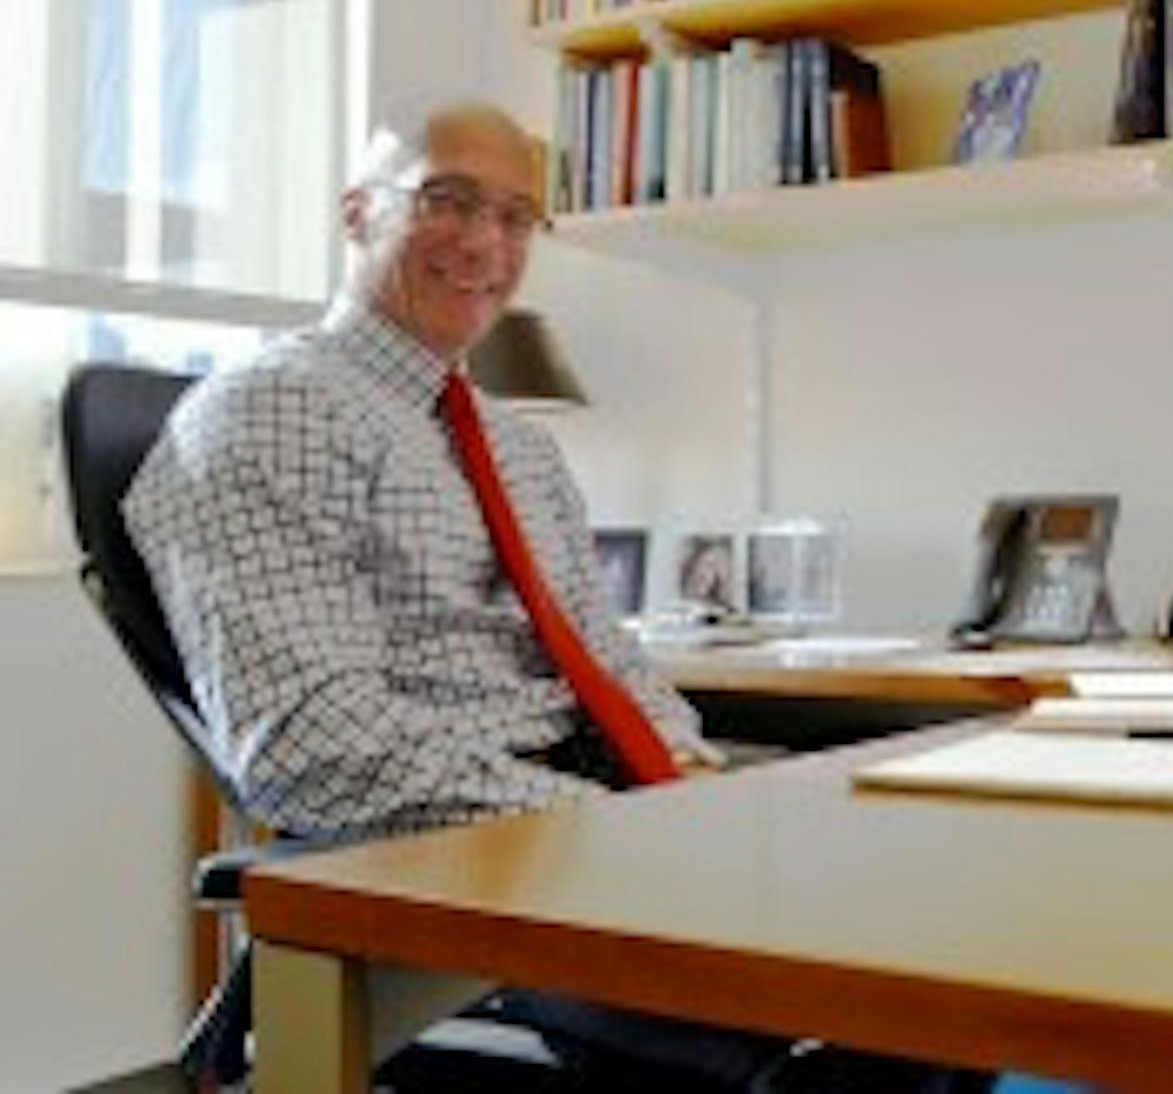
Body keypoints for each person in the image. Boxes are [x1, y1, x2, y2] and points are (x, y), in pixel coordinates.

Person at [126, 99, 978, 1092]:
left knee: (944, 947)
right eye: (447, 201)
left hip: (582, 824)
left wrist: (687, 779)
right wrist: (598, 827)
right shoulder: (266, 412)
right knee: (859, 1031)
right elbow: (308, 740)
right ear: (358, 213)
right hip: (460, 863)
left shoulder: (516, 443)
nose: (485, 242)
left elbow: (604, 655)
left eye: (516, 216)